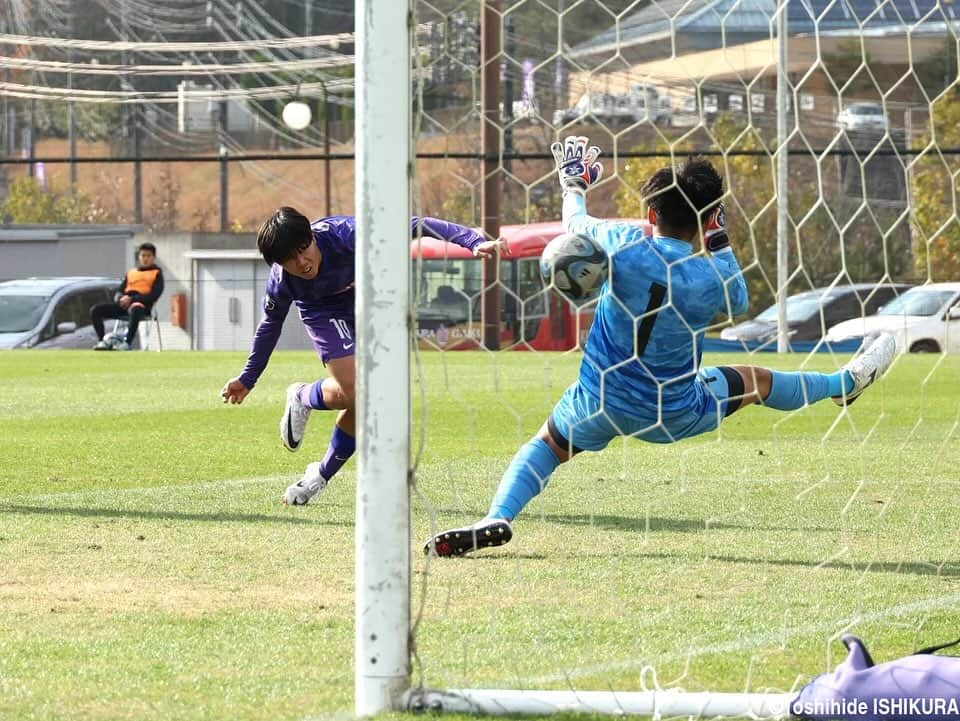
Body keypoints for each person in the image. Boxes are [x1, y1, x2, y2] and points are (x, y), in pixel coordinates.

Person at [424, 135, 896, 557]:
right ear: (709, 219)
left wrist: (575, 182)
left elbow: (576, 223)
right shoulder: (714, 277)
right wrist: (718, 234)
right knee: (757, 380)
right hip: (674, 412)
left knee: (547, 445)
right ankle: (844, 384)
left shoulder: (626, 243)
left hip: (599, 401)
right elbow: (740, 298)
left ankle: (498, 516)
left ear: (650, 215)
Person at [220, 206, 506, 506]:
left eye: (304, 250)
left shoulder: (346, 235)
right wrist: (248, 378)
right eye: (290, 259)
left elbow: (414, 224)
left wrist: (472, 241)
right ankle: (305, 400)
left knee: (374, 399)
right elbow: (270, 325)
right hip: (322, 312)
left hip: (369, 304)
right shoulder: (282, 280)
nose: (302, 262)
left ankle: (317, 469)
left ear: (312, 238)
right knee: (361, 391)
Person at [91, 242, 164, 351]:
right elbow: (120, 290)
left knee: (136, 308)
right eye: (143, 255)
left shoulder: (156, 273)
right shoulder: (131, 273)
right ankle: (102, 341)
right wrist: (120, 299)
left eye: (148, 256)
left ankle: (127, 343)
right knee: (96, 310)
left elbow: (153, 295)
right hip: (124, 304)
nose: (145, 259)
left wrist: (132, 299)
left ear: (153, 257)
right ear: (139, 257)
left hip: (142, 306)